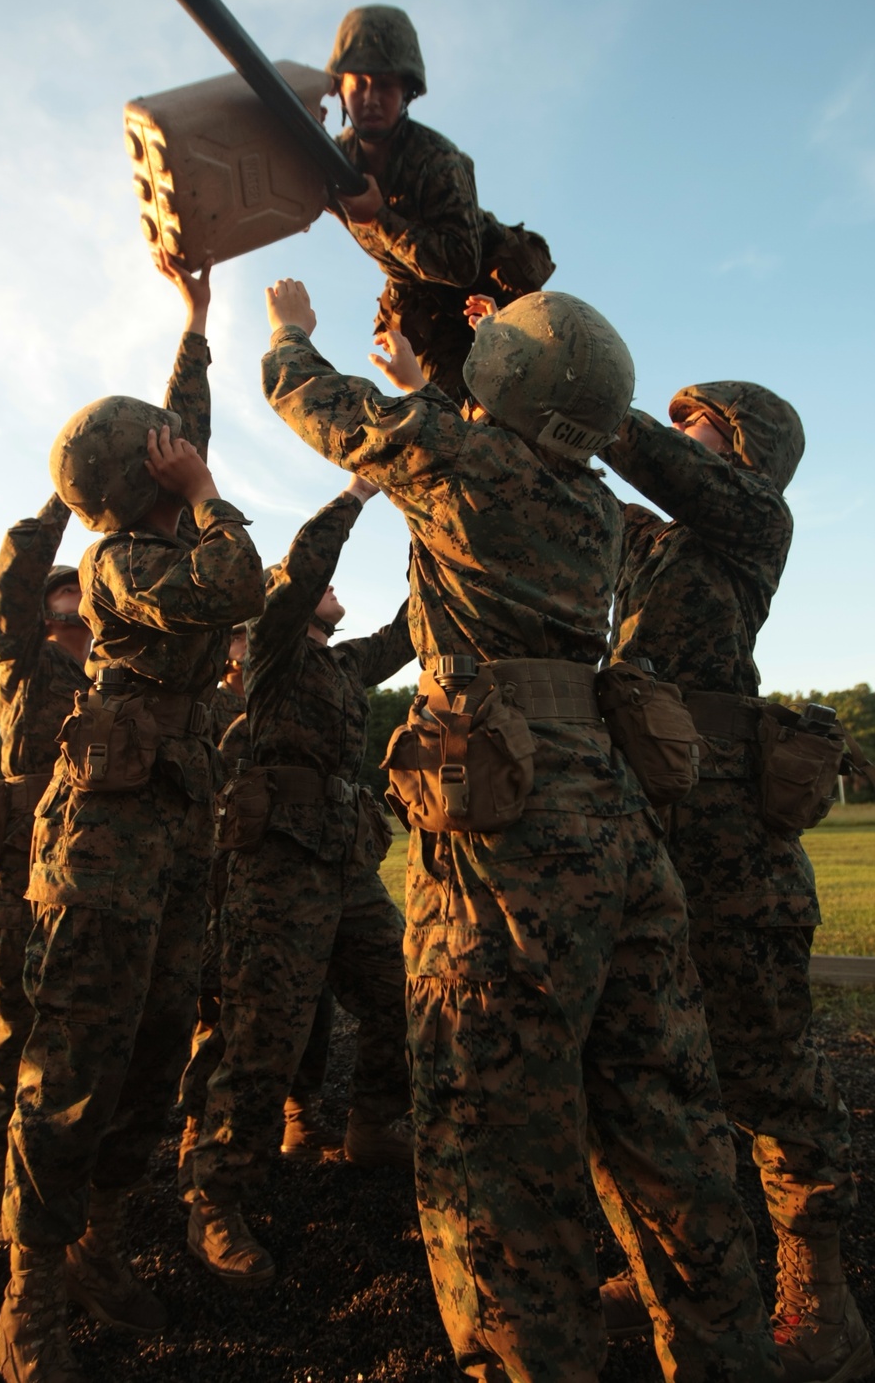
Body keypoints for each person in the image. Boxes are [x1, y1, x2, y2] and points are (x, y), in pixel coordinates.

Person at [256, 277, 782, 1383]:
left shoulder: (459, 461)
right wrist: (443, 373)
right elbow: (502, 428)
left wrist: (289, 329)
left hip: (506, 831)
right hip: (615, 814)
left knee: (487, 1134)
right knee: (667, 1121)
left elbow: (305, 397)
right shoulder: (592, 502)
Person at [0, 257, 264, 1383]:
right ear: (143, 479)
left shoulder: (153, 518)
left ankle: (100, 1243)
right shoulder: (121, 563)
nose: (181, 449)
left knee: (155, 1051)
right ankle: (31, 1296)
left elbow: (181, 426)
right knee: (75, 1056)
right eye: (161, 451)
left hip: (176, 824)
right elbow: (238, 581)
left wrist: (196, 322)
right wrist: (204, 491)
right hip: (103, 840)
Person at [598, 384, 873, 1383]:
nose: (677, 433)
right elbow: (555, 467)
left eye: (694, 419)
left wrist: (558, 360)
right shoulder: (652, 542)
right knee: (651, 1059)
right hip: (637, 818)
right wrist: (450, 364)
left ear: (742, 444)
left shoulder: (754, 518)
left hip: (730, 847)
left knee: (771, 1073)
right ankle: (685, 1269)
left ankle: (820, 1307)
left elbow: (616, 437)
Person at [187, 482, 413, 1287]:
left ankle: (375, 1126)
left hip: (346, 862)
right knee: (263, 1041)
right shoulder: (275, 652)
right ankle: (218, 1202)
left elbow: (411, 629)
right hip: (277, 862)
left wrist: (436, 522)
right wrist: (358, 490)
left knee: (401, 994)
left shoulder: (342, 663)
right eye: (320, 584)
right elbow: (298, 574)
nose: (333, 588)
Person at [0, 508, 90, 1243]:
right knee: (7, 1015)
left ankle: (41, 1168)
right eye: (62, 594)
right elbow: (10, 589)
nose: (76, 603)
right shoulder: (27, 663)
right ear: (46, 612)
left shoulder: (111, 676)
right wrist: (61, 505)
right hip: (19, 864)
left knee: (67, 1025)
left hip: (84, 865)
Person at [176, 632, 338, 1201]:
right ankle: (201, 1138)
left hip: (294, 863)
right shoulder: (218, 703)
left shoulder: (305, 687)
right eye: (242, 634)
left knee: (307, 998)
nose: (249, 644)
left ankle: (297, 1110)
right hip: (230, 863)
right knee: (226, 1004)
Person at [327, 4, 554, 402]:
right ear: (339, 89)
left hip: (488, 299)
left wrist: (379, 218)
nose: (370, 98)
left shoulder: (437, 161)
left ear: (407, 92)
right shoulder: (332, 159)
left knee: (519, 407)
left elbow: (462, 263)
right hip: (425, 310)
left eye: (385, 86)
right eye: (358, 83)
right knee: (443, 421)